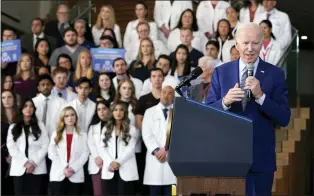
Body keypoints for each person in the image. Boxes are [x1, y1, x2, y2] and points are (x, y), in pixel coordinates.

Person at [205, 22, 290, 195]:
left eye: (255, 43)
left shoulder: (275, 74)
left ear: (262, 42)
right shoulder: (221, 72)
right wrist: (225, 102)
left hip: (261, 161)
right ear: (236, 44)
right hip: (227, 159)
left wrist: (261, 97)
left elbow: (284, 118)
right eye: (245, 43)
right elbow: (207, 115)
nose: (250, 48)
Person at [7, 98, 49, 195]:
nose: (28, 108)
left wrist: (33, 163)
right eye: (25, 106)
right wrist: (25, 162)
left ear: (34, 109)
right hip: (19, 167)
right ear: (21, 109)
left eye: (31, 106)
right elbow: (11, 147)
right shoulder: (13, 127)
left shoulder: (40, 125)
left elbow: (45, 145)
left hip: (36, 167)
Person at [142, 85, 176, 196]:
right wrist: (157, 151)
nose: (166, 95)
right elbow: (147, 135)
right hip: (155, 162)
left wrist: (166, 151)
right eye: (164, 92)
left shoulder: (178, 113)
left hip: (171, 163)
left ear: (174, 96)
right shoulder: (149, 112)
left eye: (170, 93)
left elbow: (178, 136)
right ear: (160, 94)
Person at [135, 68, 164, 195]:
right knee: (150, 175)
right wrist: (151, 136)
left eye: (159, 76)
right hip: (148, 143)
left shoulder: (168, 96)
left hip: (165, 143)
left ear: (163, 78)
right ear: (150, 79)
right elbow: (139, 121)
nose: (157, 79)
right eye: (154, 76)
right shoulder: (143, 99)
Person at [100, 102, 139, 195]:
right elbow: (102, 148)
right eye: (115, 110)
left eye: (121, 110)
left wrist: (118, 162)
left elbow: (131, 149)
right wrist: (111, 162)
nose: (118, 112)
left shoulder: (131, 129)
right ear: (112, 112)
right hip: (109, 169)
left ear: (125, 112)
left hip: (126, 168)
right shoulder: (106, 128)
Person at [48, 106, 89, 195]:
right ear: (63, 118)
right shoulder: (56, 134)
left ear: (76, 117)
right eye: (66, 116)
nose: (70, 118)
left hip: (76, 174)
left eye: (72, 115)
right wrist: (64, 168)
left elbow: (85, 154)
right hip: (58, 174)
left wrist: (73, 168)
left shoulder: (83, 135)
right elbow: (51, 153)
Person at [88, 100, 111, 196]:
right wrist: (97, 157)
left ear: (109, 110)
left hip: (110, 163)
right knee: (98, 192)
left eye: (104, 109)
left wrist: (104, 159)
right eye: (99, 109)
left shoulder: (114, 126)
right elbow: (90, 143)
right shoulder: (93, 127)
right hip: (96, 164)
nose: (101, 112)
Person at [1, 90, 19, 195]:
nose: (6, 100)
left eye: (9, 97)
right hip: (2, 157)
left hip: (18, 155)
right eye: (3, 98)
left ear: (14, 99)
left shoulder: (20, 116)